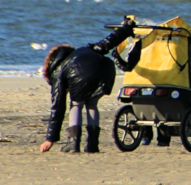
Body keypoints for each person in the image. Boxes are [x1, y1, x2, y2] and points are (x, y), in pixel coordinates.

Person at [39, 18, 136, 153]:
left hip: (82, 74)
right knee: (92, 104)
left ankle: (74, 142)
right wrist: (126, 29)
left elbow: (58, 106)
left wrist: (50, 139)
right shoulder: (85, 50)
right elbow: (109, 42)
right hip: (106, 71)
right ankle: (92, 144)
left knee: (77, 104)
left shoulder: (58, 71)